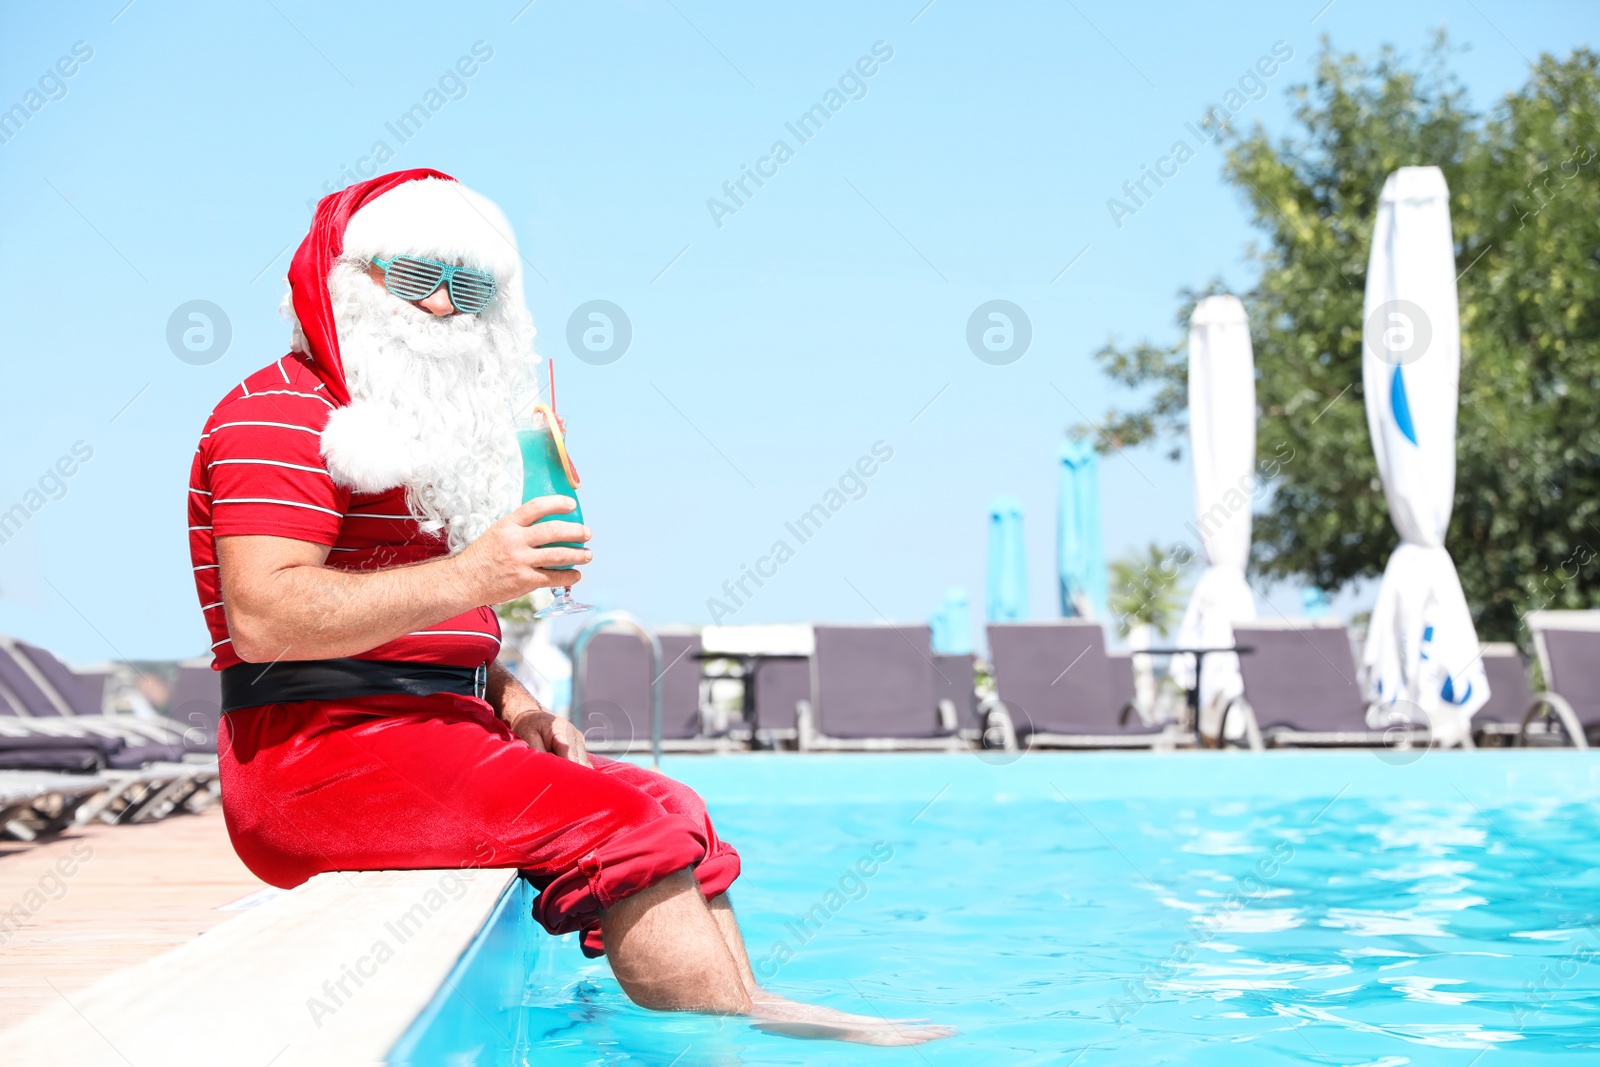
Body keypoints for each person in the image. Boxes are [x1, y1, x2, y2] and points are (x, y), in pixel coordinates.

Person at [188, 168, 949, 1045]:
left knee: (670, 805)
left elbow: (416, 629)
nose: (442, 306)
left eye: (468, 285)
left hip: (424, 733)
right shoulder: (279, 414)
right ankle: (724, 1046)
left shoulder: (411, 430)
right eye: (413, 277)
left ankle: (752, 1019)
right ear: (342, 280)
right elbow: (268, 618)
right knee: (619, 822)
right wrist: (473, 574)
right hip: (317, 760)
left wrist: (510, 699)